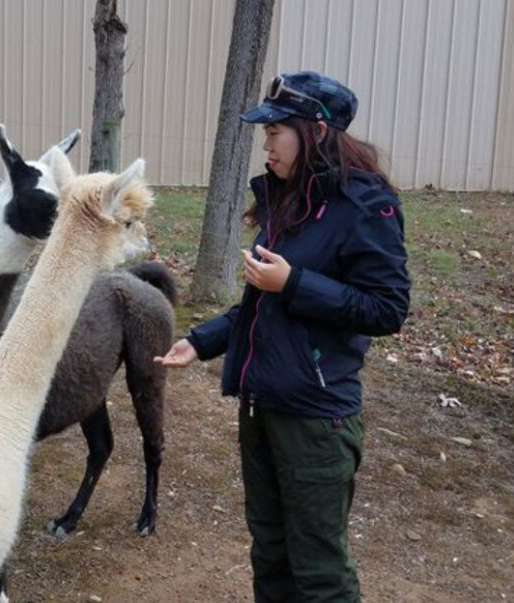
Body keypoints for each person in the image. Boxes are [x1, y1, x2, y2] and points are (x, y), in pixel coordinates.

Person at [155, 71, 411, 602]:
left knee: (319, 570)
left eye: (276, 133)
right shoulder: (287, 200)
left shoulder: (365, 205)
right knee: (270, 553)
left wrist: (295, 282)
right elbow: (261, 303)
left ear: (315, 131)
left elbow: (387, 308)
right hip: (262, 404)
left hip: (317, 418)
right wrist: (202, 341)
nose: (266, 144)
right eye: (265, 135)